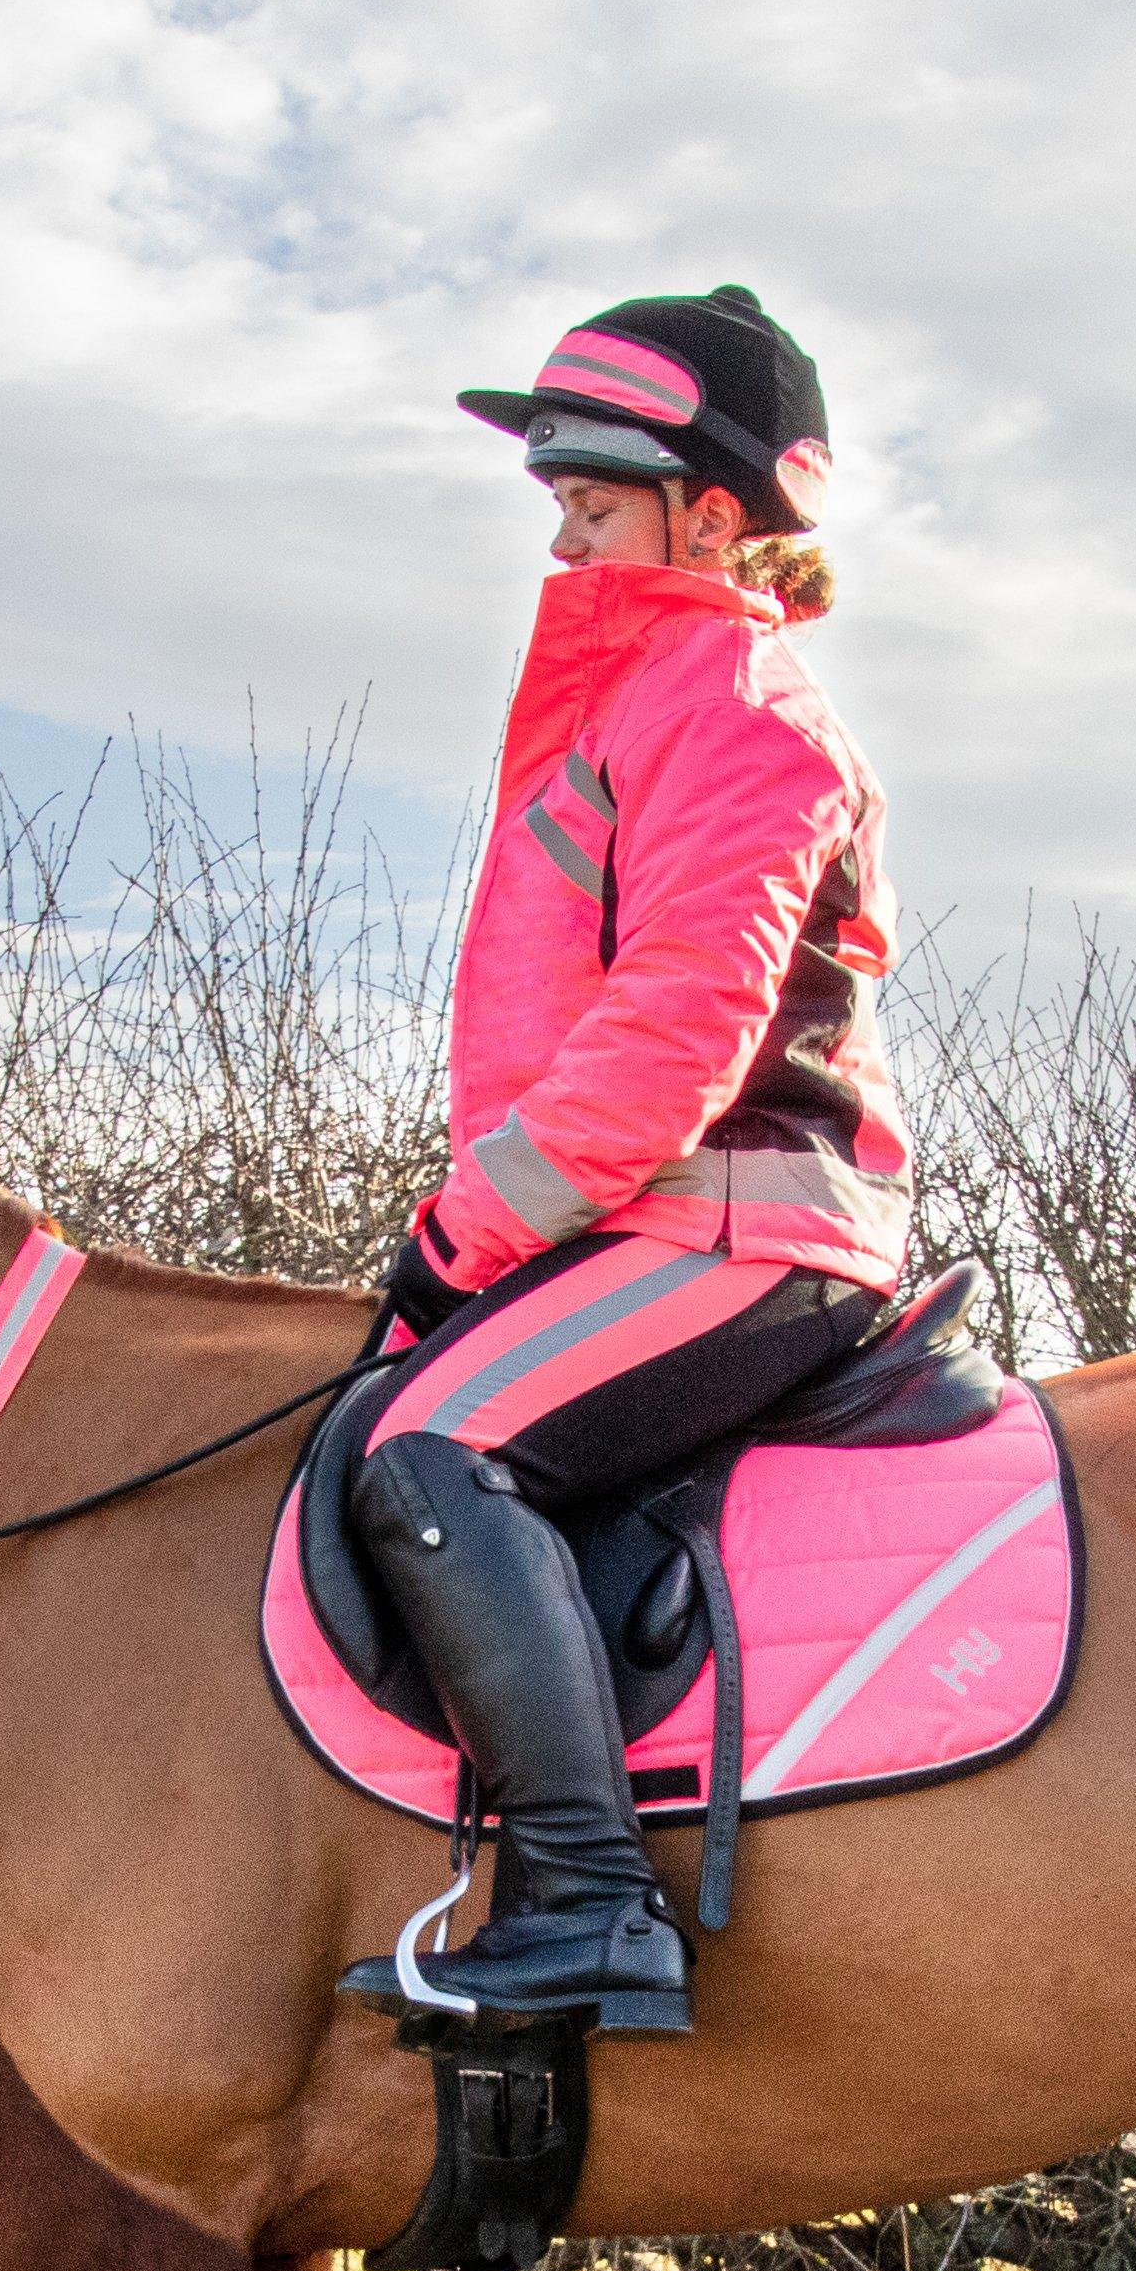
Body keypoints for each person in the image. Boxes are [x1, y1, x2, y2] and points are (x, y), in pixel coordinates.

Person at [342, 284, 911, 2038]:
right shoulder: (640, 694)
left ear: (712, 518)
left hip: (745, 1224)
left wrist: (471, 1231)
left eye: (594, 505)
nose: (565, 540)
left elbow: (678, 1027)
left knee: (432, 1450)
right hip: (644, 1214)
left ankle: (590, 1904)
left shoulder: (733, 704)